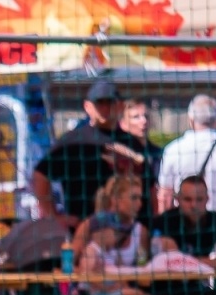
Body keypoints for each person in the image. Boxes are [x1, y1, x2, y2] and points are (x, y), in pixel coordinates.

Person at [32, 77, 149, 227]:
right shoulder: (72, 142)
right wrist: (53, 216)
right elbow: (40, 175)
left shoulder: (132, 143)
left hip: (129, 228)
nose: (105, 108)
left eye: (110, 102)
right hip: (85, 228)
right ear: (87, 106)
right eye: (100, 103)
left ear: (120, 106)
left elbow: (149, 186)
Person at [153, 175, 216, 295]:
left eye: (199, 199)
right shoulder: (165, 222)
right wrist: (211, 263)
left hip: (197, 290)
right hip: (166, 291)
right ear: (178, 199)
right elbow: (173, 263)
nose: (194, 205)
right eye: (188, 199)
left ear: (207, 199)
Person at [157, 95, 216, 215]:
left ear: (191, 119)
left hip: (185, 222)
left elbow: (165, 195)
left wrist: (165, 225)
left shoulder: (173, 149)